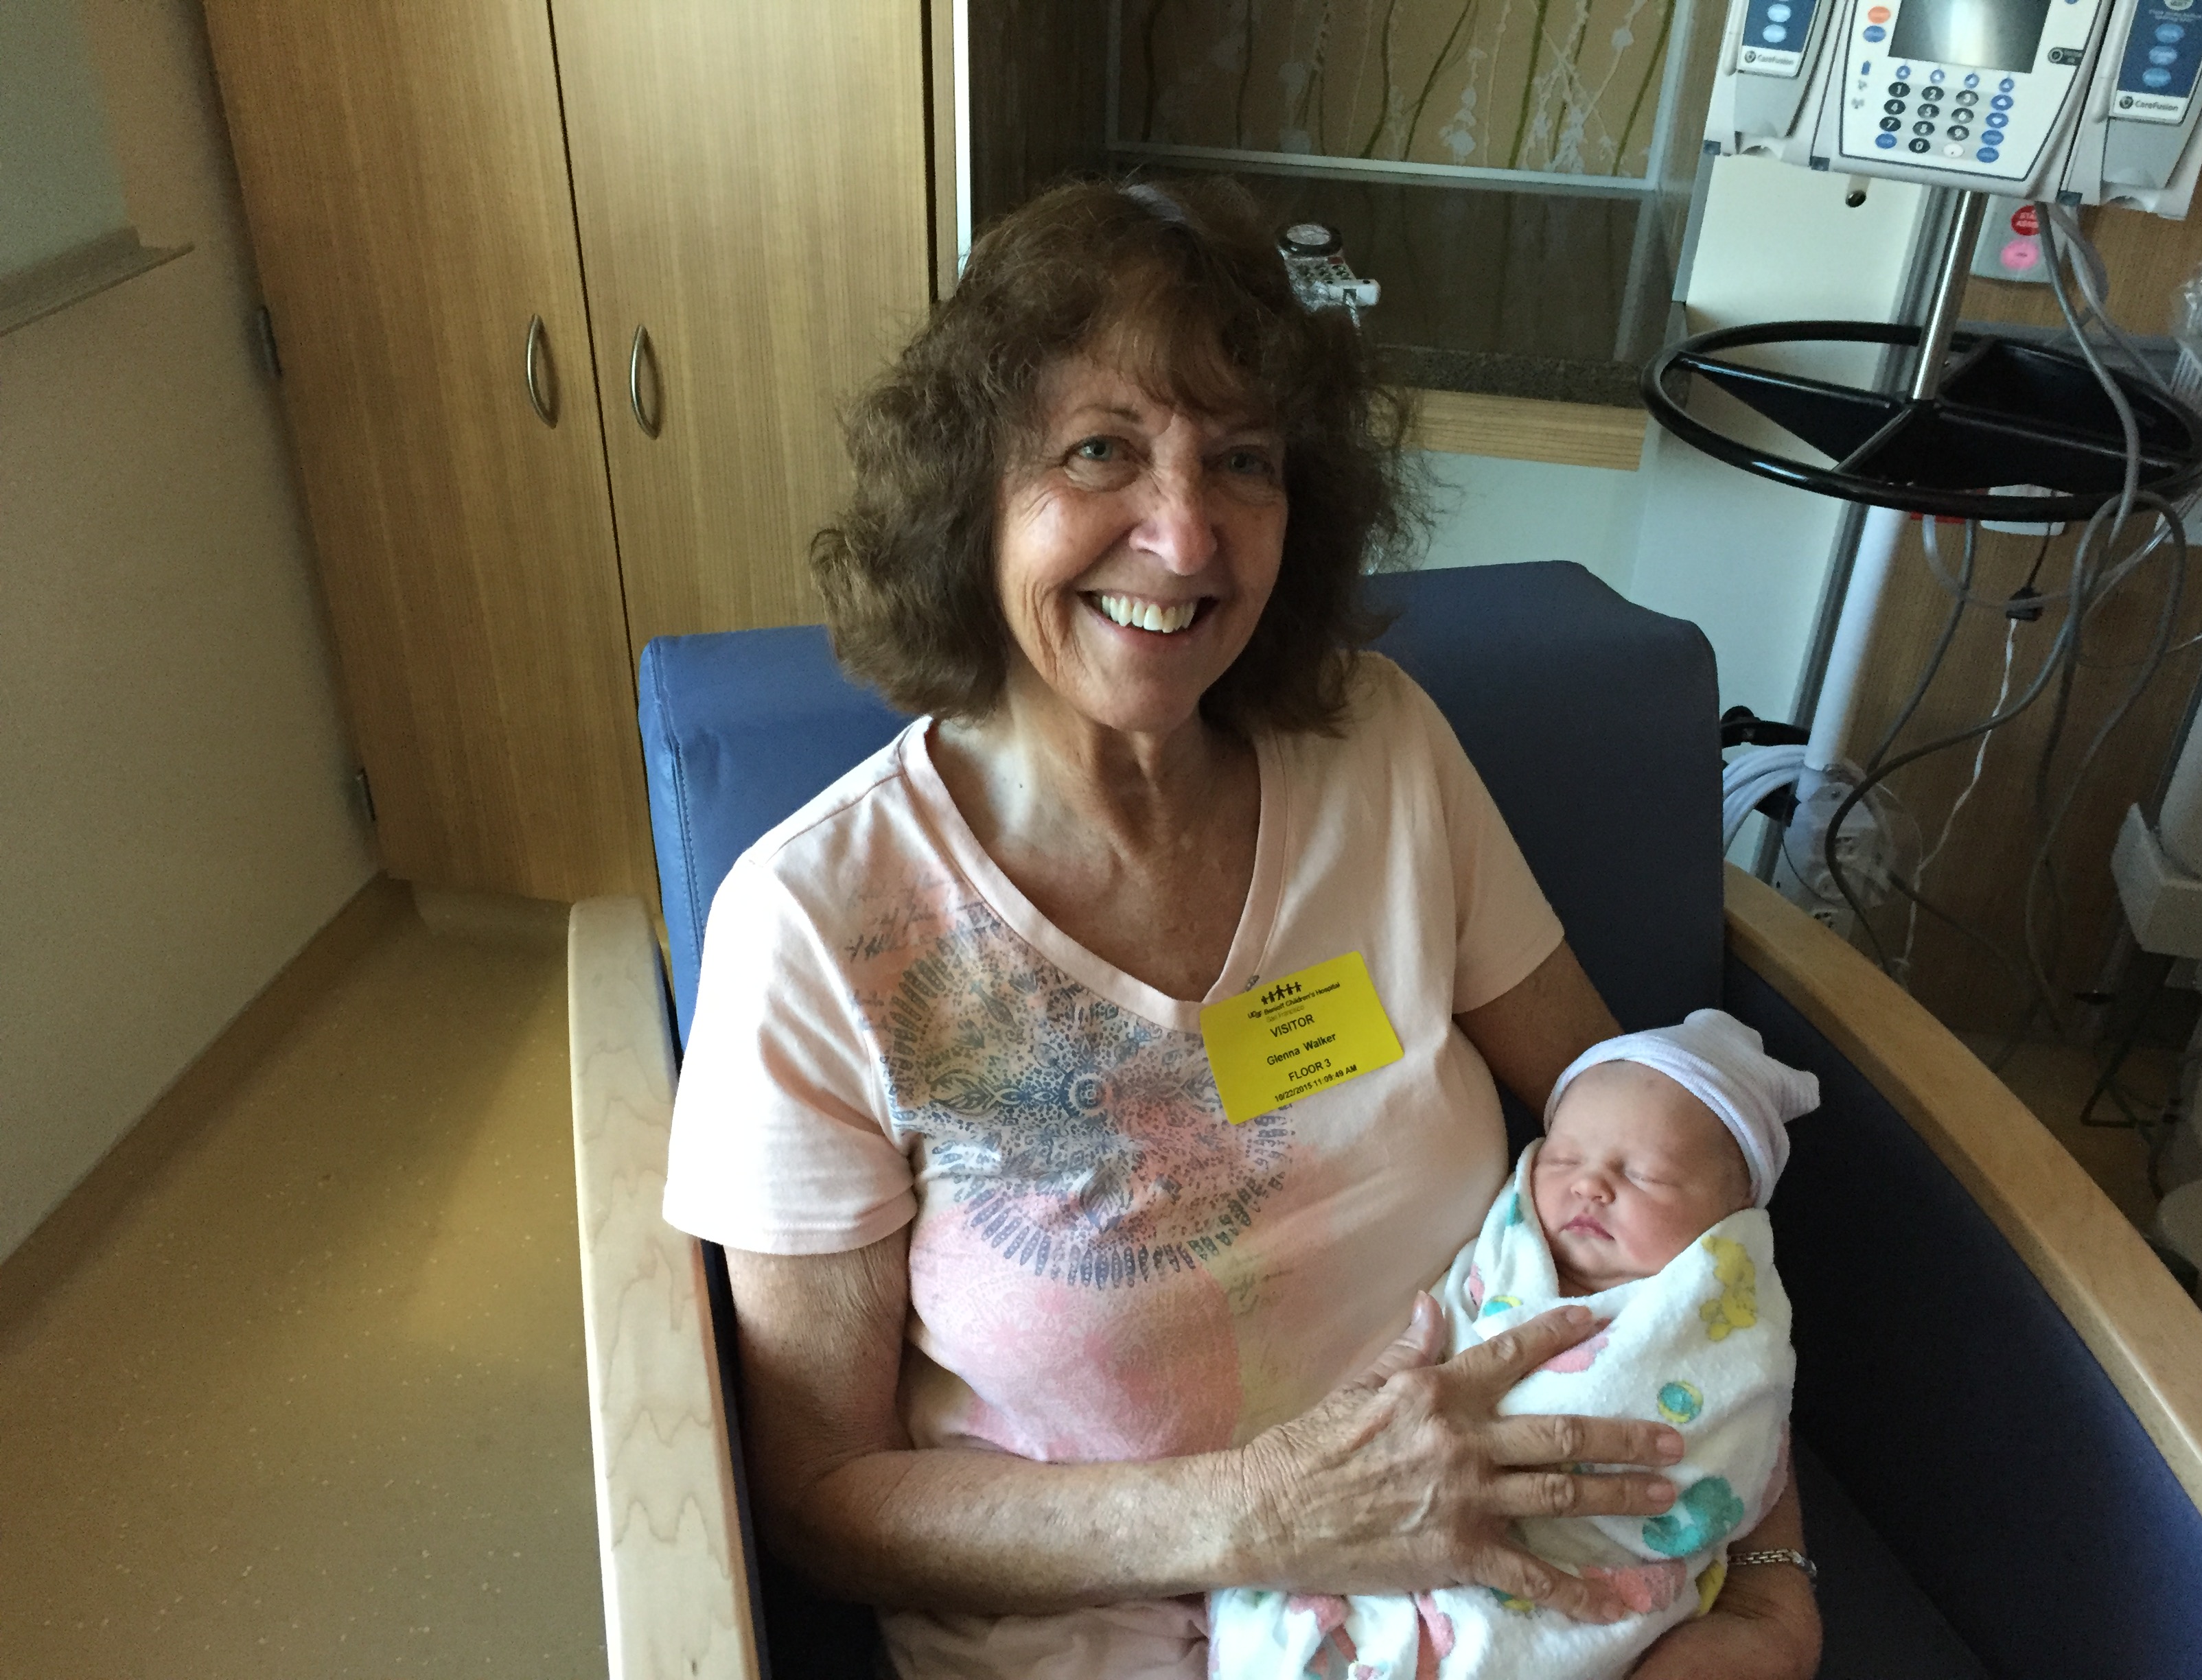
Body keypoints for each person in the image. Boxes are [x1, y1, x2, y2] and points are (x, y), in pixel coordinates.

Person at [660, 176, 1820, 1680]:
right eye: (1101, 449)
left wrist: (1768, 1586)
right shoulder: (819, 926)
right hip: (1108, 1637)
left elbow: (1668, 1168)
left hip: (1515, 1601)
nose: (1184, 530)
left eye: (1243, 461)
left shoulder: (1380, 751)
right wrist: (1267, 1511)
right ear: (970, 491)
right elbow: (820, 1500)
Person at [1207, 1010, 1820, 1679]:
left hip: (1566, 1569)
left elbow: (1732, 1435)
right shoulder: (1503, 1262)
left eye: (1648, 1175)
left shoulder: (1721, 1326)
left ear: (1733, 1217)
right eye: (1563, 1158)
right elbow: (1441, 1339)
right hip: (1357, 1504)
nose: (1589, 1185)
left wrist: (1765, 1598)